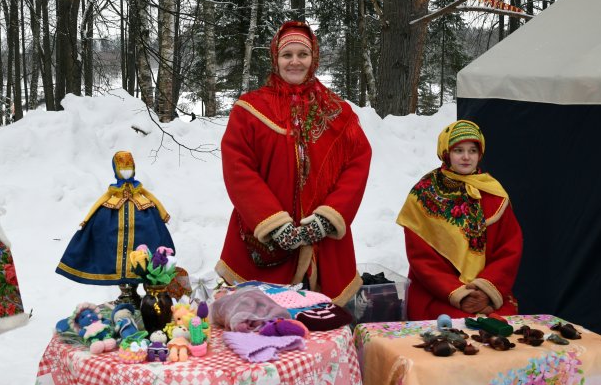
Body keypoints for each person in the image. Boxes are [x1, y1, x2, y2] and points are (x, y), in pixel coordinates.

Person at [215, 21, 372, 306]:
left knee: (320, 326)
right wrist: (273, 224)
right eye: (287, 55)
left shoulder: (338, 111)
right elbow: (239, 169)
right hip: (264, 242)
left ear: (314, 59)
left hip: (323, 246)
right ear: (275, 59)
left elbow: (358, 163)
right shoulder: (249, 109)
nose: (295, 61)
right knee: (262, 328)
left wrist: (328, 218)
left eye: (303, 54)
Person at [397, 120, 522, 320]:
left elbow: (509, 249)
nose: (466, 157)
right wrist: (460, 295)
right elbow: (421, 257)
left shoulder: (494, 193)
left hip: (487, 294)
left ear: (480, 154)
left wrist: (484, 292)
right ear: (446, 152)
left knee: (502, 323)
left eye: (472, 150)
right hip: (438, 294)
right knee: (460, 325)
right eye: (458, 150)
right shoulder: (424, 194)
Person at [56, 151, 175, 289]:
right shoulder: (113, 190)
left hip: (142, 212)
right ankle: (120, 282)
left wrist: (164, 214)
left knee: (147, 241)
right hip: (112, 213)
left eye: (129, 168)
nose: (126, 172)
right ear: (116, 170)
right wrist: (86, 220)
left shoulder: (138, 188)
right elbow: (100, 201)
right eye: (122, 169)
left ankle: (140, 276)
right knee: (106, 240)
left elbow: (152, 197)